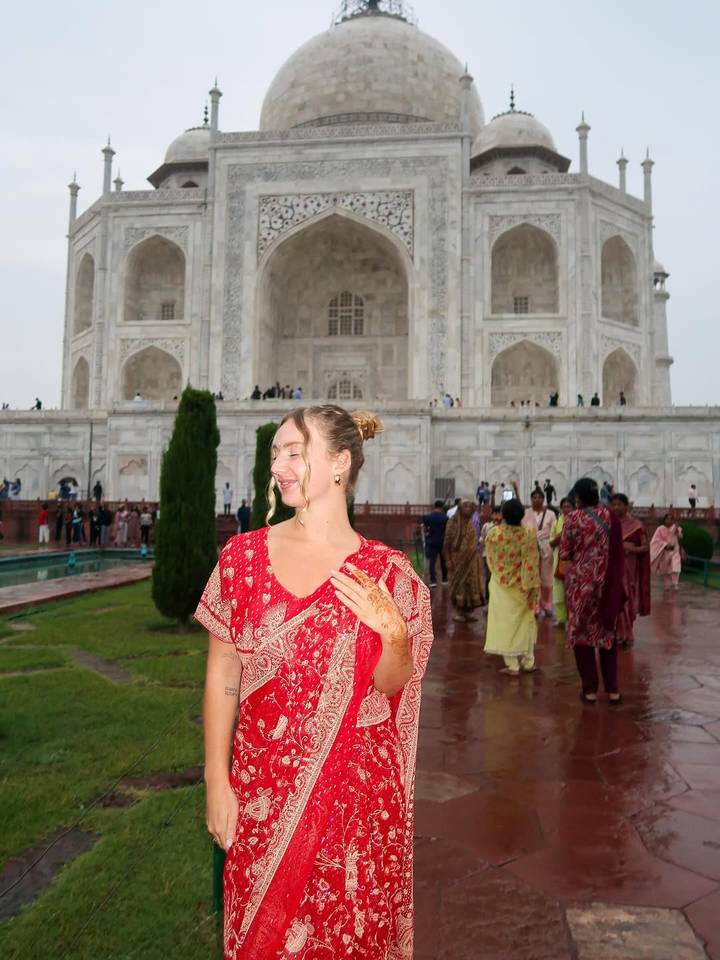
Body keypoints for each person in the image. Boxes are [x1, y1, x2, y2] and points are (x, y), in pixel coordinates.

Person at [194, 404, 433, 959]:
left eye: (294, 453)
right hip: (262, 798)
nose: (279, 465)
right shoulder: (242, 557)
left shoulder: (386, 571)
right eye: (275, 453)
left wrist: (393, 634)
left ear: (339, 464)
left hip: (357, 810)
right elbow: (222, 673)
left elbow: (391, 684)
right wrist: (215, 780)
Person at [559, 478, 626, 705]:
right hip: (606, 583)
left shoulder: (572, 518)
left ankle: (589, 690)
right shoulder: (611, 517)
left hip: (581, 586)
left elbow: (565, 553)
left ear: (577, 496)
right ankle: (613, 690)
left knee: (582, 637)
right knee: (607, 634)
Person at [484, 498, 540, 676]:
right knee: (526, 622)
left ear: (503, 515)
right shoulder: (529, 533)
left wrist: (500, 573)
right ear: (522, 515)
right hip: (524, 585)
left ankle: (512, 665)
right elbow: (531, 561)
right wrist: (531, 587)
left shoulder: (494, 533)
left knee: (504, 623)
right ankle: (528, 662)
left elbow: (490, 559)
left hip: (500, 585)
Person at [610, 494, 651, 646]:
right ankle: (615, 632)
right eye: (613, 504)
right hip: (612, 567)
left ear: (626, 506)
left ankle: (626, 633)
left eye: (619, 504)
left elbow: (645, 547)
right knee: (614, 598)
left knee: (627, 597)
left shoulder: (636, 525)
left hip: (629, 567)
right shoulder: (609, 523)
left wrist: (631, 549)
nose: (616, 507)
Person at [444, 498, 485, 621]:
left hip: (471, 561)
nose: (468, 508)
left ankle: (467, 612)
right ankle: (458, 612)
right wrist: (448, 560)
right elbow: (447, 542)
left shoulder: (471, 523)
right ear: (460, 508)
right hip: (457, 560)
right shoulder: (453, 523)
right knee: (458, 586)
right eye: (465, 506)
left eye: (470, 506)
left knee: (469, 586)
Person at [522, 485, 555, 617]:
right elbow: (522, 529)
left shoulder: (551, 514)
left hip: (546, 549)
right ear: (531, 499)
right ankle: (534, 606)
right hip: (530, 550)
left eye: (540, 497)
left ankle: (547, 605)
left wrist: (547, 542)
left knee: (547, 578)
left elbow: (553, 531)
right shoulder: (525, 513)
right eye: (534, 497)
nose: (537, 499)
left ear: (543, 499)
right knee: (532, 578)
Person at [549, 497, 574, 627]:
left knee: (573, 589)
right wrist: (560, 537)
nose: (566, 509)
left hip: (574, 561)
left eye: (569, 506)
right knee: (558, 589)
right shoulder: (557, 522)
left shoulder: (578, 522)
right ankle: (561, 618)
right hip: (559, 559)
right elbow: (551, 542)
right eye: (563, 506)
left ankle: (573, 619)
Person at [650, 514, 684, 592]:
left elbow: (680, 536)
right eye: (667, 519)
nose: (669, 521)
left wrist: (678, 530)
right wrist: (665, 544)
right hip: (664, 552)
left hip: (674, 551)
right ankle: (667, 585)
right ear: (664, 520)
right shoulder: (660, 529)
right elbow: (656, 540)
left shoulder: (676, 528)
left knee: (676, 567)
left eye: (671, 519)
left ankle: (675, 584)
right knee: (665, 570)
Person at [421, 499, 448, 587]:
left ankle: (433, 581)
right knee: (443, 560)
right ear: (441, 507)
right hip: (442, 541)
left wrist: (427, 536)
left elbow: (425, 529)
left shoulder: (429, 517)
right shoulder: (445, 517)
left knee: (432, 561)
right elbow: (448, 530)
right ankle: (444, 579)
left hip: (432, 542)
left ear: (435, 506)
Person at [480, 504, 502, 596]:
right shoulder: (487, 526)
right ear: (491, 514)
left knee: (499, 577)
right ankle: (488, 597)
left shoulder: (505, 527)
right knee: (489, 577)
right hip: (487, 555)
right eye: (494, 513)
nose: (496, 516)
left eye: (499, 514)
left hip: (500, 557)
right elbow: (482, 539)